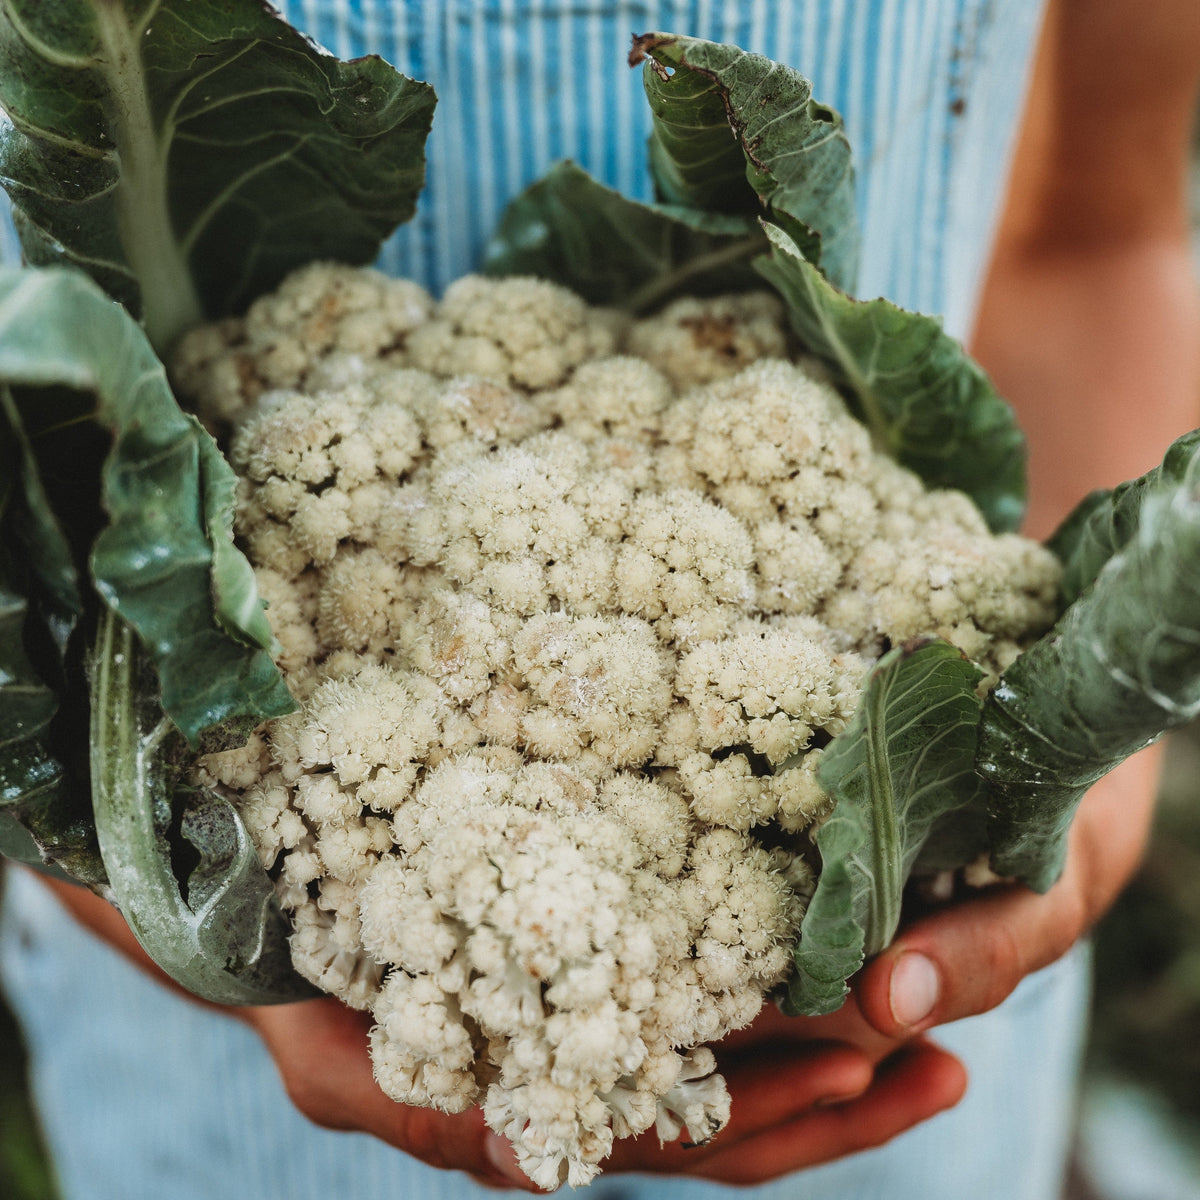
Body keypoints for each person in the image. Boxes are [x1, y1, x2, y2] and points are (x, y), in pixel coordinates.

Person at [2, 0, 1198, 1195]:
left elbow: (1099, 237)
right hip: (227, 1120)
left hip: (903, 1071)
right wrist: (161, 910)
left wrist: (1077, 806)